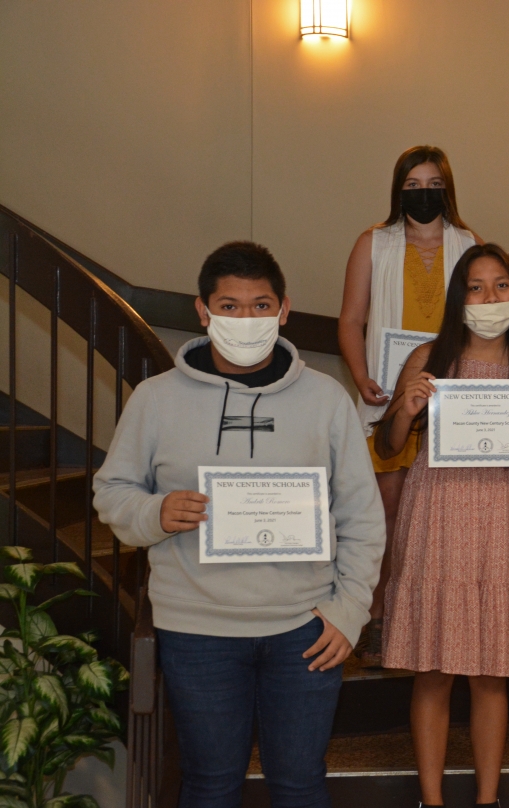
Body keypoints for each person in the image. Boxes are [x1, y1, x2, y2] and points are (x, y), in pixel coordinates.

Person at [94, 242, 385, 808]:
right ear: (203, 311)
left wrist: (350, 611)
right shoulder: (155, 400)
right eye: (229, 306)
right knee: (208, 785)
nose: (245, 320)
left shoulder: (326, 399)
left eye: (260, 305)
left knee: (301, 784)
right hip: (197, 630)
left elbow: (361, 514)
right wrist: (155, 513)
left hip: (305, 630)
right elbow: (111, 492)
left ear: (284, 311)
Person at [374, 244, 509, 808]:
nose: (489, 298)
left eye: (501, 286)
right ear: (460, 298)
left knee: (490, 672)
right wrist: (406, 410)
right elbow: (388, 445)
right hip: (436, 511)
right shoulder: (429, 358)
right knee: (433, 670)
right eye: (476, 287)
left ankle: (488, 798)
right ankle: (430, 799)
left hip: (501, 517)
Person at [337, 145, 482, 666]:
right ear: (399, 190)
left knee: (442, 515)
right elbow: (352, 319)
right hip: (389, 399)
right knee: (386, 512)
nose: (424, 193)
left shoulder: (470, 245)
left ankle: (423, 620)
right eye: (413, 185)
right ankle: (373, 616)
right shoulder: (373, 243)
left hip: (453, 401)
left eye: (433, 183)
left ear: (448, 187)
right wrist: (361, 377)